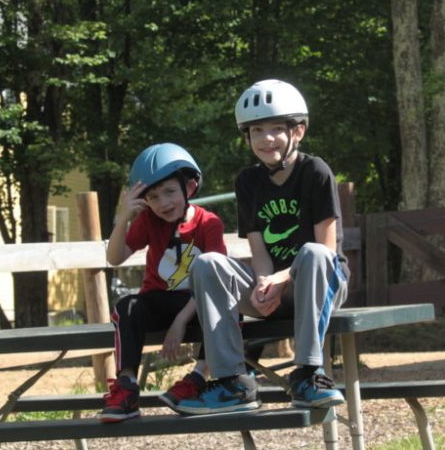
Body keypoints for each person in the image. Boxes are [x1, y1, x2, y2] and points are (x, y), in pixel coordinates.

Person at [174, 79, 350, 415]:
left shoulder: (316, 172)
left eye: (275, 129)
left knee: (312, 254)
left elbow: (326, 248)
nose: (265, 139)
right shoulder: (247, 181)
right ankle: (232, 382)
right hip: (276, 285)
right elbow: (259, 252)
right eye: (256, 131)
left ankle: (309, 375)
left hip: (318, 282)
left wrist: (281, 280)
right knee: (207, 263)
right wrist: (262, 285)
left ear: (297, 131)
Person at [99, 142, 227, 423]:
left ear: (190, 188)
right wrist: (124, 219)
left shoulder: (209, 223)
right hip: (158, 300)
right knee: (126, 307)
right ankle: (127, 388)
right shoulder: (147, 221)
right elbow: (115, 257)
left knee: (223, 305)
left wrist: (180, 322)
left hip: (197, 302)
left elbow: (217, 280)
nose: (163, 203)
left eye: (170, 192)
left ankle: (197, 378)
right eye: (153, 197)